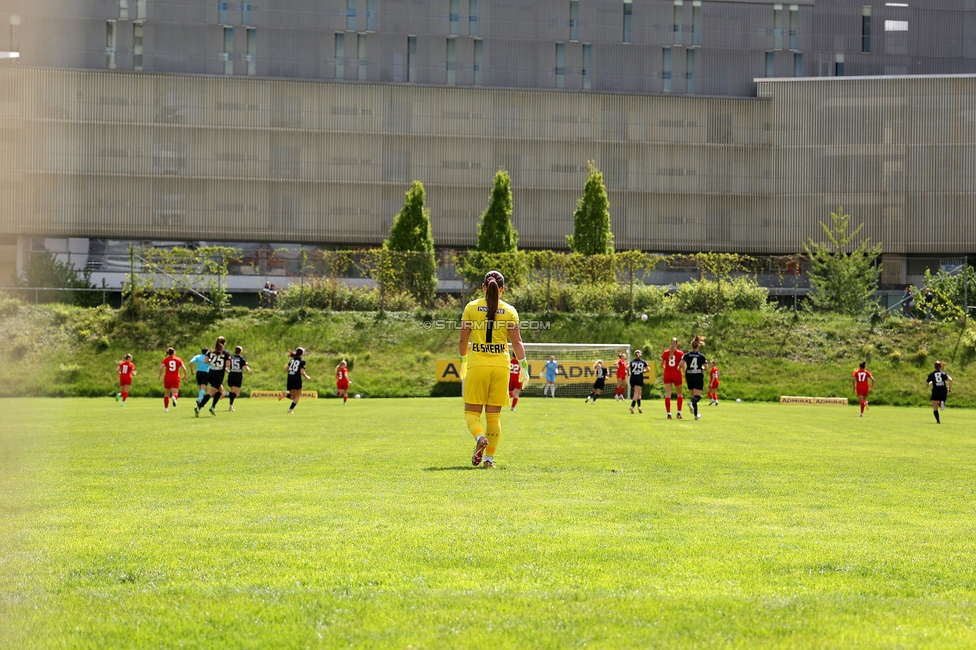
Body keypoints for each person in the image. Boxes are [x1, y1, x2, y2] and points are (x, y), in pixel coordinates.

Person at [458, 270, 526, 469]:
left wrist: (463, 359)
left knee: (471, 412)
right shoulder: (510, 310)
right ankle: (488, 461)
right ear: (502, 289)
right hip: (501, 367)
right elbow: (517, 342)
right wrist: (524, 366)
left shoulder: (471, 307)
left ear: (483, 287)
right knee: (494, 416)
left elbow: (463, 339)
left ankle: (480, 437)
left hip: (477, 364)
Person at [195, 336, 231, 417]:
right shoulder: (226, 353)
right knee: (210, 393)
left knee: (221, 391)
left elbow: (205, 361)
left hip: (210, 374)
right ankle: (199, 407)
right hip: (218, 375)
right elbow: (227, 364)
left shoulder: (211, 351)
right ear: (224, 343)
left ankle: (213, 407)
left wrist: (212, 361)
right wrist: (223, 364)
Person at [681, 336, 707, 420]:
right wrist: (701, 368)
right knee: (697, 397)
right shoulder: (701, 356)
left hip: (689, 376)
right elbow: (706, 367)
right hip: (698, 376)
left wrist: (682, 371)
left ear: (691, 346)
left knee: (693, 396)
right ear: (698, 346)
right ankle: (691, 403)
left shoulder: (686, 355)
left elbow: (680, 365)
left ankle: (696, 415)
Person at [280, 347, 311, 413]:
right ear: (302, 353)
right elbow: (302, 372)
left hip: (290, 378)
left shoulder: (292, 360)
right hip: (296, 379)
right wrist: (307, 377)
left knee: (293, 397)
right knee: (297, 396)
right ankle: (290, 410)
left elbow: (286, 368)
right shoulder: (302, 361)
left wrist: (292, 372)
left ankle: (284, 394)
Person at [158, 347, 187, 412]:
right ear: (174, 352)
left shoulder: (166, 360)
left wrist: (159, 375)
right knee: (175, 393)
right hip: (175, 377)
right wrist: (185, 375)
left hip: (167, 377)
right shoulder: (178, 359)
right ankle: (174, 397)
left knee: (166, 393)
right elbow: (184, 368)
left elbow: (161, 368)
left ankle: (166, 408)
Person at [662, 337, 685, 419]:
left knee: (668, 394)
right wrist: (685, 374)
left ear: (670, 343)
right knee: (679, 394)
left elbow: (662, 365)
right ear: (677, 344)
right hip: (677, 374)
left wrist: (667, 369)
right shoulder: (680, 353)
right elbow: (682, 365)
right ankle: (679, 413)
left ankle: (669, 413)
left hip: (668, 374)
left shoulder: (666, 352)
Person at [226, 346, 251, 411]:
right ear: (241, 351)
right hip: (237, 376)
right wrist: (248, 368)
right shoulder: (242, 359)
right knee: (236, 394)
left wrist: (227, 370)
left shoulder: (231, 357)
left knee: (232, 393)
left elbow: (225, 365)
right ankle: (225, 393)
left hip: (231, 375)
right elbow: (247, 368)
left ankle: (230, 406)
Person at [628, 350, 649, 414]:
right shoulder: (643, 362)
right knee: (636, 393)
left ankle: (639, 407)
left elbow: (626, 367)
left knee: (639, 392)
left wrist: (629, 372)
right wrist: (644, 371)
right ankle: (632, 406)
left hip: (632, 378)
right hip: (639, 378)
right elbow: (649, 369)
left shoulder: (632, 362)